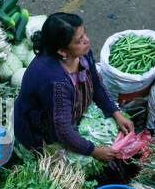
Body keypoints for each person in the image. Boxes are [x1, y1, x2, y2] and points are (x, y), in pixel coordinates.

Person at [13, 12, 133, 161]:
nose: (87, 41)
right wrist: (94, 151)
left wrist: (115, 113)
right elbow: (62, 131)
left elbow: (96, 84)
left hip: (62, 118)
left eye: (84, 35)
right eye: (79, 40)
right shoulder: (56, 82)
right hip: (39, 131)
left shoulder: (81, 54)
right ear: (62, 51)